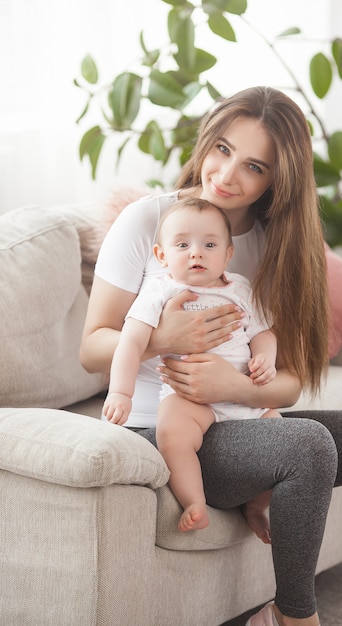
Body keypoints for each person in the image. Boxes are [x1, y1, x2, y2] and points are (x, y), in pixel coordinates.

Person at [80, 86, 342, 626]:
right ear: (206, 140)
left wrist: (234, 387)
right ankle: (293, 616)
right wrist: (167, 338)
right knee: (305, 443)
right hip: (160, 425)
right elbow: (92, 345)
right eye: (221, 148)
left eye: (253, 166)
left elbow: (290, 383)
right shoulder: (152, 222)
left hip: (239, 417)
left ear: (277, 182)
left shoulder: (273, 245)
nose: (226, 174)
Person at [103, 197, 280, 535]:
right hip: (187, 397)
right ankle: (194, 501)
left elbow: (263, 333)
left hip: (242, 393)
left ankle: (257, 505)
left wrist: (264, 358)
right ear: (162, 255)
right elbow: (131, 342)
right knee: (172, 435)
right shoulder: (160, 290)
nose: (196, 252)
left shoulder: (241, 288)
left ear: (228, 254)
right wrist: (120, 392)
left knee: (282, 439)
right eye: (182, 244)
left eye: (209, 244)